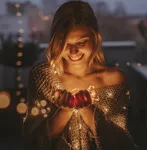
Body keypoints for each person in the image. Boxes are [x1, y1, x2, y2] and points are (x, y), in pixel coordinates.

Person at [23, 1, 139, 150]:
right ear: (55, 41)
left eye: (81, 42)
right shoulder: (43, 77)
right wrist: (64, 111)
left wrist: (88, 110)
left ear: (95, 37)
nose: (73, 51)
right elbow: (33, 141)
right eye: (65, 42)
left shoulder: (113, 80)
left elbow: (119, 142)